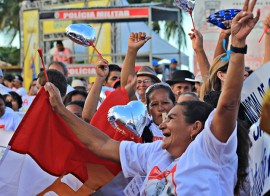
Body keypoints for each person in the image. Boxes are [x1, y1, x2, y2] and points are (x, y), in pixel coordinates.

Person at [45, 0, 259, 194]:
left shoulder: (210, 149)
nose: (164, 122)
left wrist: (238, 45)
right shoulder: (155, 152)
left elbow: (227, 105)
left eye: (172, 117)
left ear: (195, 128)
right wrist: (60, 110)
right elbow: (100, 144)